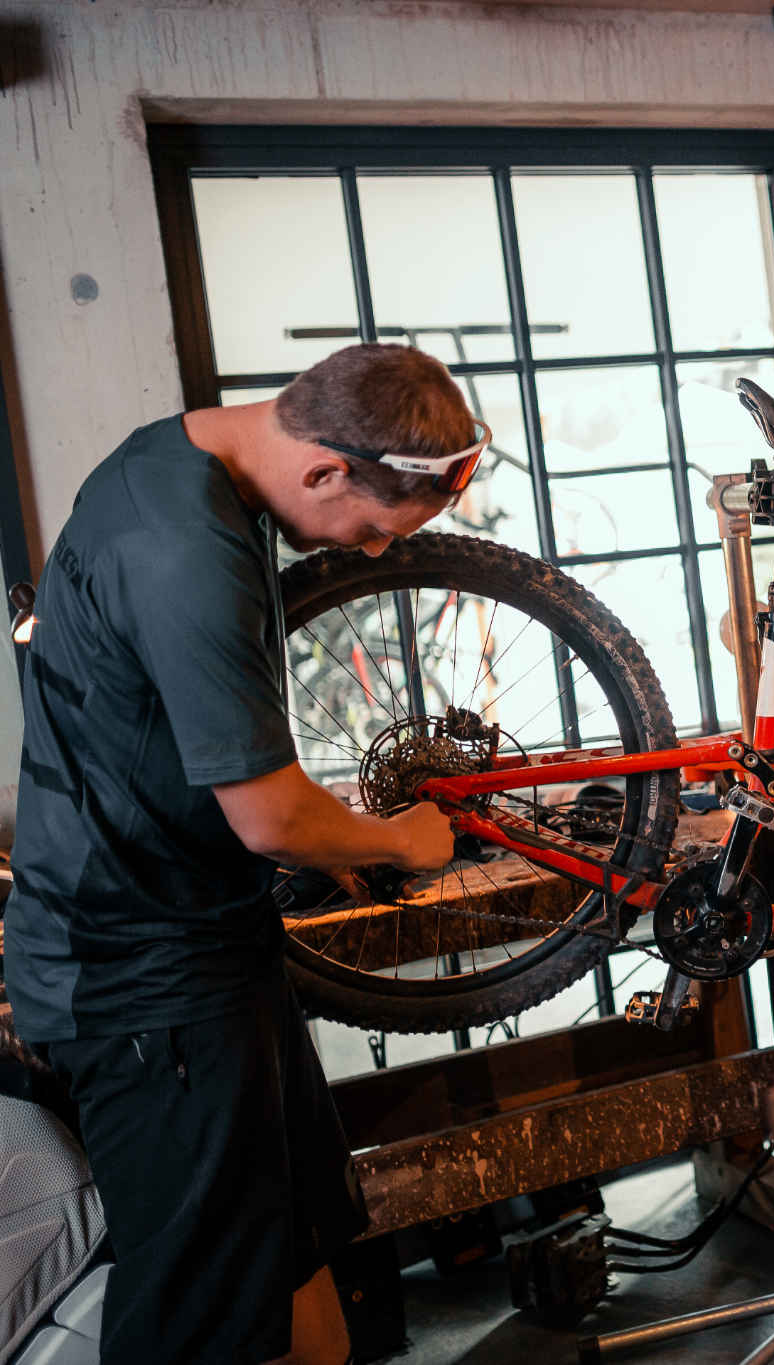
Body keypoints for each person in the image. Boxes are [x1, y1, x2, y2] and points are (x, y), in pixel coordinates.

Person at [1, 343, 484, 1364]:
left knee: (295, 1252)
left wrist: (328, 834)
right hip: (139, 982)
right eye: (371, 528)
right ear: (323, 469)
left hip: (209, 945)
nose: (371, 552)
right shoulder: (183, 549)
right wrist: (397, 837)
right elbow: (268, 816)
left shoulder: (185, 462)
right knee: (194, 1322)